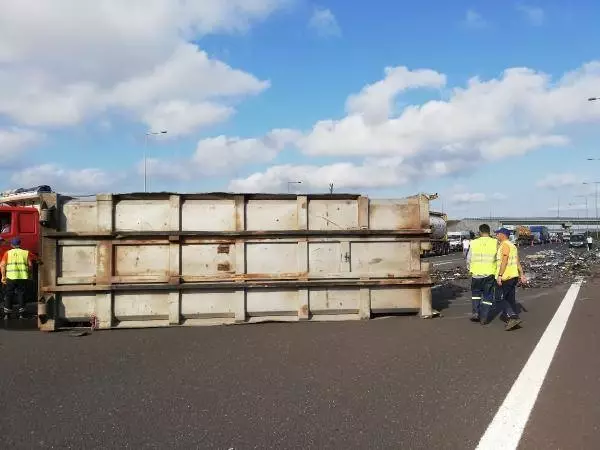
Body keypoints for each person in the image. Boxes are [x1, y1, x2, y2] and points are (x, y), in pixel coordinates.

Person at [495, 228, 526, 331]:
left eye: (498, 233)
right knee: (510, 298)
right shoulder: (513, 246)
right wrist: (521, 274)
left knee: (501, 298)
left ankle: (512, 317)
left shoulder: (504, 245)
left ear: (503, 235)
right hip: (513, 276)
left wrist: (500, 275)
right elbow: (517, 261)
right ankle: (513, 318)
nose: (496, 235)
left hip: (506, 276)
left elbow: (504, 260)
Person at [467, 224, 498, 323]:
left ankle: (476, 313)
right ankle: (484, 317)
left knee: (476, 294)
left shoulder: (473, 242)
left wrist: (470, 269)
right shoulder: (495, 242)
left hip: (476, 273)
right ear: (489, 232)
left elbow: (469, 258)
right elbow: (499, 258)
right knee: (487, 296)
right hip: (490, 274)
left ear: (480, 232)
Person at [1, 237, 34, 315]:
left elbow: (2, 265)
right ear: (19, 244)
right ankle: (22, 313)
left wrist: (3, 276)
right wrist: (29, 274)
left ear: (12, 245)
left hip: (10, 277)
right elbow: (30, 265)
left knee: (9, 294)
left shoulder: (7, 253)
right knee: (21, 293)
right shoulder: (25, 252)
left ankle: (7, 314)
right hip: (22, 277)